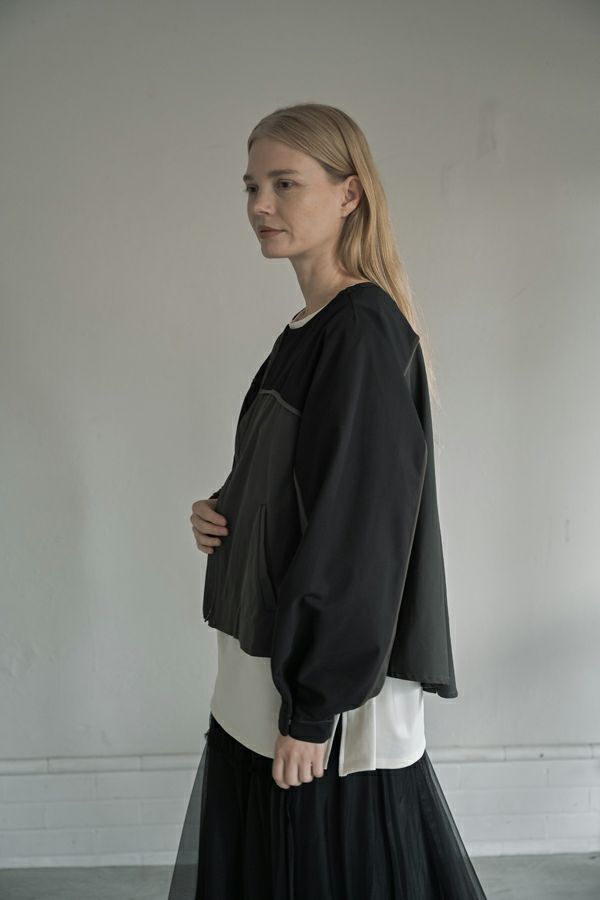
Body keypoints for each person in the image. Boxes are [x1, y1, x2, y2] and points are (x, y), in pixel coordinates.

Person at [168, 103, 488, 899]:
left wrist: (313, 711)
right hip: (267, 671)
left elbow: (362, 537)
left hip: (325, 696)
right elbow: (303, 484)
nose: (260, 205)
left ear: (350, 194)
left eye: (285, 183)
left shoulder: (361, 332)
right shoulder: (309, 328)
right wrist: (226, 509)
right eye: (251, 186)